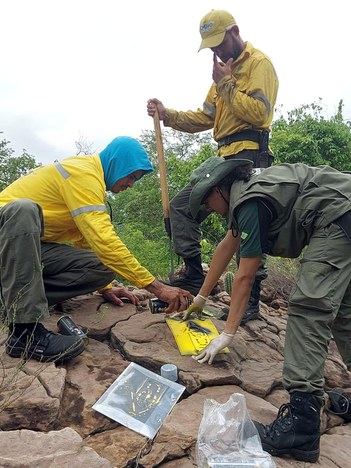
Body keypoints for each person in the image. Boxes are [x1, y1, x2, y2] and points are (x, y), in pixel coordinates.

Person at [183, 156, 351, 463]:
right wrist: (201, 297)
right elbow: (226, 247)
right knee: (344, 314)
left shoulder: (249, 201)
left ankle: (301, 426)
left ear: (219, 189)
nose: (210, 210)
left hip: (338, 218)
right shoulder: (247, 193)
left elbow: (245, 275)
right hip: (345, 215)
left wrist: (228, 334)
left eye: (207, 203)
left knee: (308, 308)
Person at [0, 136, 192, 364]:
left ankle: (13, 301)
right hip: (7, 238)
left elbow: (86, 239)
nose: (131, 184)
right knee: (23, 209)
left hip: (28, 250)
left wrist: (105, 287)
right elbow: (104, 239)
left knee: (102, 267)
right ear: (117, 163)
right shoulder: (83, 173)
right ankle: (24, 332)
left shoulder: (93, 187)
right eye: (131, 176)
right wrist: (156, 287)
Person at [147, 9, 279, 323]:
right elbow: (205, 117)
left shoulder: (259, 64)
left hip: (250, 156)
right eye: (212, 47)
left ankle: (250, 303)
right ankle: (193, 273)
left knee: (245, 225)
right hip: (222, 160)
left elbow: (260, 113)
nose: (217, 51)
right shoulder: (220, 74)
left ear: (235, 31)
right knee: (181, 205)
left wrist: (227, 84)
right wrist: (168, 115)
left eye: (220, 43)